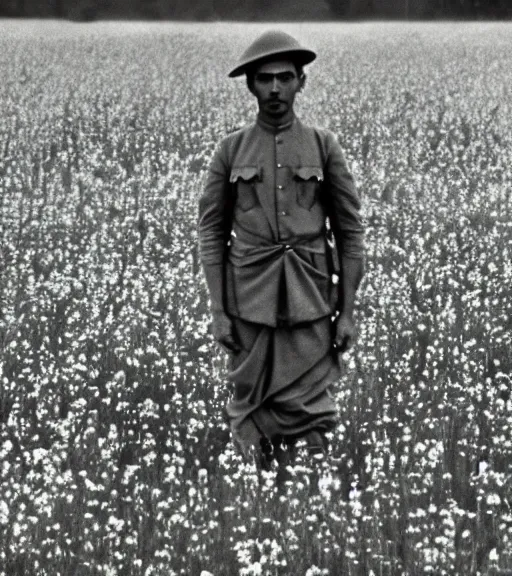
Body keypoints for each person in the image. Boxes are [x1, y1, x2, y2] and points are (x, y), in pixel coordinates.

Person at [198, 30, 365, 471]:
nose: (275, 88)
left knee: (312, 408)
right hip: (249, 302)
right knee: (251, 402)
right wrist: (218, 311)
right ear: (251, 84)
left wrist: (346, 312)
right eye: (265, 79)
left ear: (301, 82)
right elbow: (211, 233)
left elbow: (350, 233)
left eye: (285, 78)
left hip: (310, 298)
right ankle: (259, 498)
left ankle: (309, 497)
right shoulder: (229, 150)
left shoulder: (324, 146)